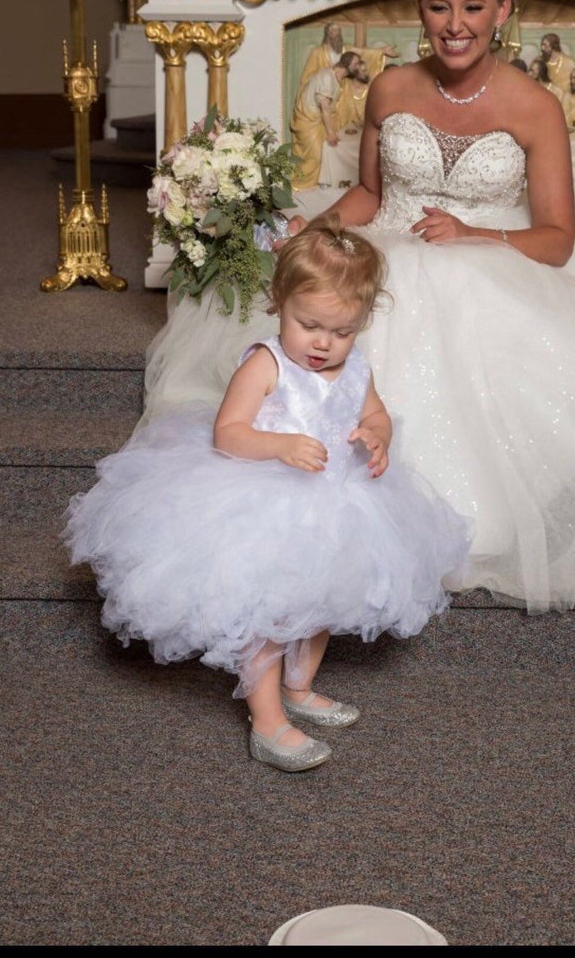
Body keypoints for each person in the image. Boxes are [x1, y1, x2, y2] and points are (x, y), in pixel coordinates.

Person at [140, 0, 575, 615]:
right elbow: (370, 192)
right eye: (438, 6)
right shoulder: (391, 88)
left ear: (504, 8)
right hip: (387, 251)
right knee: (332, 323)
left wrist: (474, 234)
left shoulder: (535, 106)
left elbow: (556, 240)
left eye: (473, 6)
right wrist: (319, 225)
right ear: (420, 7)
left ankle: (456, 525)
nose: (455, 25)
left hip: (491, 257)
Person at [63, 215, 470, 772]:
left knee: (328, 597)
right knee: (267, 611)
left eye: (343, 331)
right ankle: (267, 717)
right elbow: (228, 434)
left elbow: (374, 413)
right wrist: (278, 446)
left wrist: (377, 435)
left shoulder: (356, 368)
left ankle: (300, 688)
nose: (325, 344)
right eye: (310, 326)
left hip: (340, 500)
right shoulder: (265, 363)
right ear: (279, 302)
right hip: (267, 499)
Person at [289, 51, 369, 189]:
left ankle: (312, 188)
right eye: (355, 64)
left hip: (316, 121)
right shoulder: (327, 77)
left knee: (323, 154)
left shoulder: (336, 78)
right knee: (314, 156)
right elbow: (324, 107)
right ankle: (298, 187)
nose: (357, 67)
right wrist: (331, 132)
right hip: (308, 120)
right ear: (346, 64)